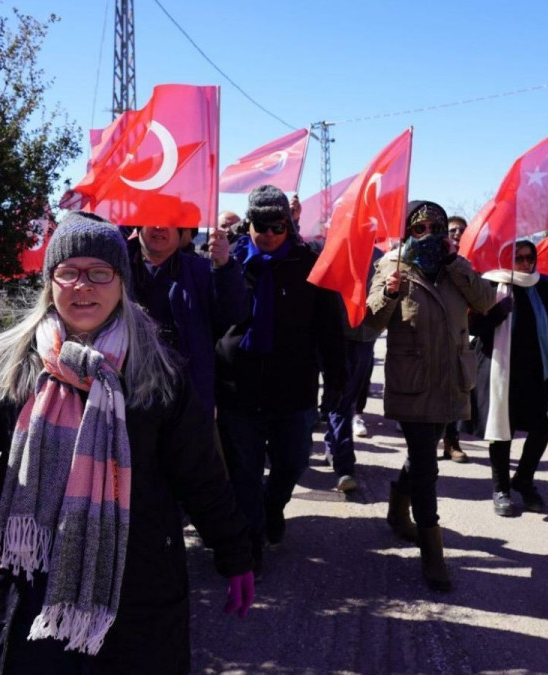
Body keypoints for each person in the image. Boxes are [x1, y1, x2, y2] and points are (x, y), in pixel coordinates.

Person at [0, 212, 254, 674]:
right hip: (29, 593)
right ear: (50, 283)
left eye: (100, 273)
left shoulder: (158, 373)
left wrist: (234, 552)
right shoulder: (10, 364)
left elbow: (200, 475)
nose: (84, 285)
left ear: (121, 282)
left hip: (137, 590)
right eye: (69, 272)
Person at [215, 185, 347, 579]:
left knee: (292, 462)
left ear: (288, 225)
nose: (270, 234)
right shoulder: (227, 260)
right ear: (248, 222)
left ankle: (274, 505)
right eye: (261, 225)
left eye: (278, 226)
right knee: (244, 473)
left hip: (294, 389)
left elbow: (331, 328)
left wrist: (336, 381)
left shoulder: (312, 263)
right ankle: (251, 543)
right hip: (239, 389)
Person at [365, 200, 495, 592]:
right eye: (419, 228)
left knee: (423, 454)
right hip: (414, 380)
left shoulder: (457, 267)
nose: (429, 235)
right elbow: (369, 323)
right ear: (408, 232)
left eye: (436, 228)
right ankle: (432, 549)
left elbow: (486, 302)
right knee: (426, 463)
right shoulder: (392, 267)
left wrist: (458, 264)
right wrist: (387, 294)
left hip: (452, 378)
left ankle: (397, 504)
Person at [468, 239, 548, 517]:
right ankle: (501, 489)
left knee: (543, 425)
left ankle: (524, 478)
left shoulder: (544, 287)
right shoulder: (489, 286)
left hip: (539, 370)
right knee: (501, 429)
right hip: (500, 369)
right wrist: (497, 313)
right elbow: (472, 328)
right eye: (518, 259)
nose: (524, 264)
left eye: (528, 258)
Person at [128, 221, 247, 418]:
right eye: (152, 219)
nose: (160, 226)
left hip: (190, 397)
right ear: (138, 228)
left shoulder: (203, 270)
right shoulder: (118, 272)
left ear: (181, 231)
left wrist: (225, 266)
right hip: (133, 394)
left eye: (169, 221)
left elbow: (234, 314)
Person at [323, 245, 386, 492]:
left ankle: (333, 447)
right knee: (339, 401)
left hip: (364, 337)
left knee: (345, 401)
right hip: (333, 336)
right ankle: (344, 465)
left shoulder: (382, 257)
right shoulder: (328, 250)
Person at [439, 215, 472, 462]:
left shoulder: (471, 261)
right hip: (438, 335)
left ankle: (452, 442)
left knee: (459, 391)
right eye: (453, 230)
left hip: (465, 335)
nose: (458, 233)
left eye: (462, 229)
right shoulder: (437, 260)